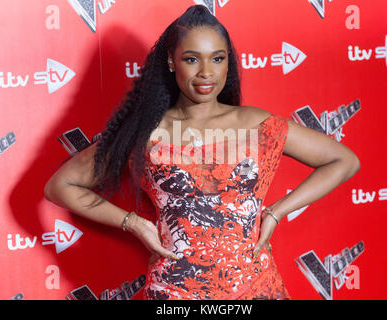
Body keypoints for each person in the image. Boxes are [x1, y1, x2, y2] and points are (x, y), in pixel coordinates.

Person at [44, 5, 360, 300]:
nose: (206, 72)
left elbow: (344, 161)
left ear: (228, 63)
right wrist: (134, 223)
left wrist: (276, 212)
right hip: (174, 292)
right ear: (171, 62)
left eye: (217, 58)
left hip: (254, 288)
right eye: (192, 59)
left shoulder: (258, 125)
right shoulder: (145, 132)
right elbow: (61, 185)